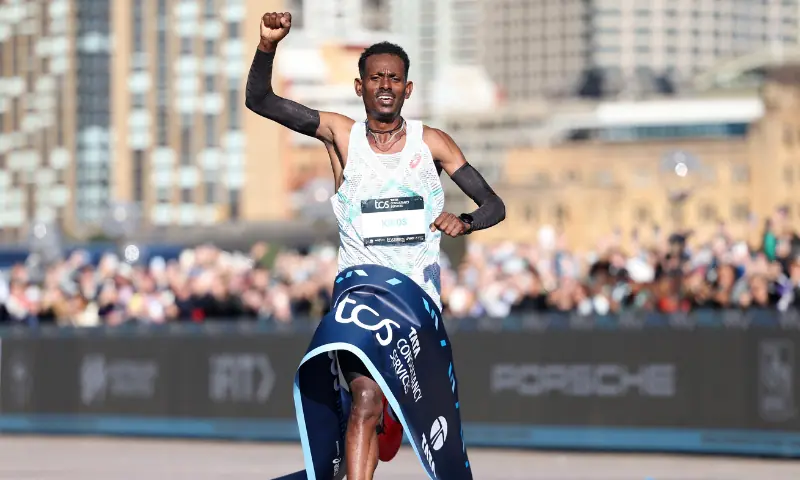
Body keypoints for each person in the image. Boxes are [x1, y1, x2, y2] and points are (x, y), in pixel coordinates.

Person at [246, 12, 506, 480]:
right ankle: (371, 421)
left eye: (394, 78)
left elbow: (494, 204)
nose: (384, 84)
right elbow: (260, 100)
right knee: (365, 397)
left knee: (403, 417)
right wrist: (268, 45)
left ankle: (382, 427)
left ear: (407, 89)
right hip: (360, 299)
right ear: (359, 86)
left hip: (415, 304)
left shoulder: (433, 144)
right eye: (375, 77)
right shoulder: (340, 134)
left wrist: (465, 221)